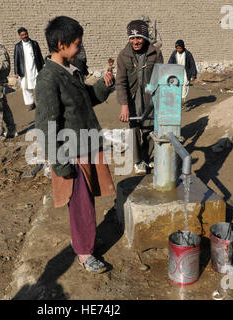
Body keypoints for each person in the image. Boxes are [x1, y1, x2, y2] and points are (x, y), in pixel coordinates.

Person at [35, 16, 116, 273]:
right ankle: (83, 252)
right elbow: (47, 124)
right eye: (77, 44)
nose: (80, 48)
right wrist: (58, 161)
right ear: (61, 44)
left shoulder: (70, 70)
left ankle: (84, 240)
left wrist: (104, 85)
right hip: (72, 152)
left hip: (87, 144)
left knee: (88, 199)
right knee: (81, 204)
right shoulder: (49, 79)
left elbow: (85, 100)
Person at [116, 19, 164, 174]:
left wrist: (161, 101)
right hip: (132, 98)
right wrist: (124, 106)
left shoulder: (155, 53)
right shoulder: (123, 56)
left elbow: (162, 77)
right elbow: (121, 82)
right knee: (134, 128)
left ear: (145, 37)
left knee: (150, 127)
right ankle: (138, 161)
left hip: (151, 96)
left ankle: (147, 157)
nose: (135, 42)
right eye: (132, 38)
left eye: (139, 38)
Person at [13, 27, 44, 111]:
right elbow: (16, 59)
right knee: (25, 87)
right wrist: (16, 71)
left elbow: (40, 56)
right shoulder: (18, 46)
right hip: (24, 69)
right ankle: (31, 104)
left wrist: (43, 66)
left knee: (38, 86)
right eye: (22, 35)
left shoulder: (34, 44)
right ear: (20, 36)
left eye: (26, 34)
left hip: (35, 68)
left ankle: (41, 102)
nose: (25, 36)